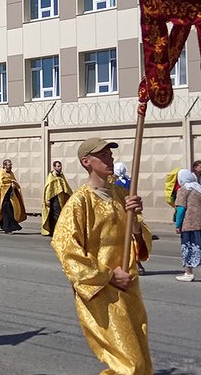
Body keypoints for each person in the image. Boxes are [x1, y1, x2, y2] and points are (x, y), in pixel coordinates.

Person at [51, 137, 153, 375]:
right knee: (129, 363)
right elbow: (65, 248)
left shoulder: (122, 195)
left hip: (128, 286)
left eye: (110, 154)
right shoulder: (79, 202)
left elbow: (139, 240)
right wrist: (107, 276)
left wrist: (136, 223)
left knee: (141, 358)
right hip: (100, 289)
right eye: (103, 155)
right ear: (87, 162)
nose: (110, 158)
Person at [0, 159, 26, 233]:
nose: (10, 166)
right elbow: (1, 184)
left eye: (11, 165)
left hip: (11, 196)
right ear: (4, 166)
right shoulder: (2, 174)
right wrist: (10, 185)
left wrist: (14, 184)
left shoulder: (11, 173)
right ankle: (8, 228)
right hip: (4, 197)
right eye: (9, 165)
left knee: (11, 210)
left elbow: (14, 181)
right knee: (7, 212)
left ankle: (3, 224)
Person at [42, 160, 73, 237]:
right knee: (56, 214)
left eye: (60, 166)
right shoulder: (51, 176)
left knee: (59, 214)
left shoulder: (61, 175)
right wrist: (47, 199)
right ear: (54, 167)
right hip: (54, 198)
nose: (60, 168)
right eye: (58, 166)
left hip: (61, 198)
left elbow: (65, 186)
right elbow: (48, 188)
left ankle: (55, 230)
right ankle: (56, 231)